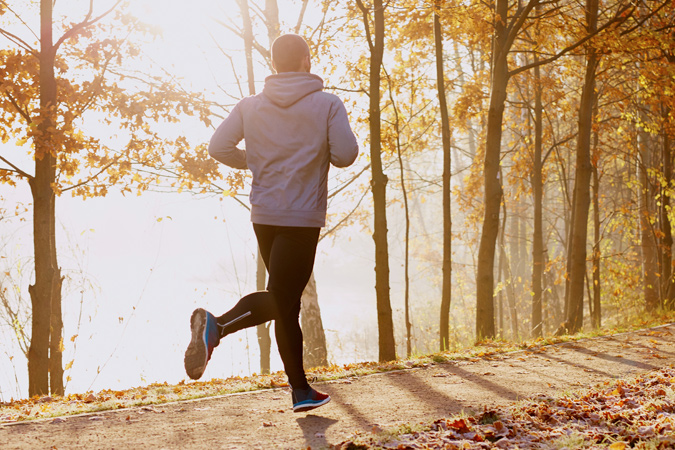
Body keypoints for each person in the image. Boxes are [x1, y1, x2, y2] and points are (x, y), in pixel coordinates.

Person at [184, 34, 358, 413]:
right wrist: (310, 153)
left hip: (264, 214)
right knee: (284, 297)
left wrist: (260, 160)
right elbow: (345, 154)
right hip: (301, 216)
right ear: (306, 61)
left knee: (285, 300)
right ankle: (219, 326)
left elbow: (218, 148)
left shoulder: (250, 106)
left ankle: (300, 391)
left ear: (276, 65)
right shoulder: (327, 104)